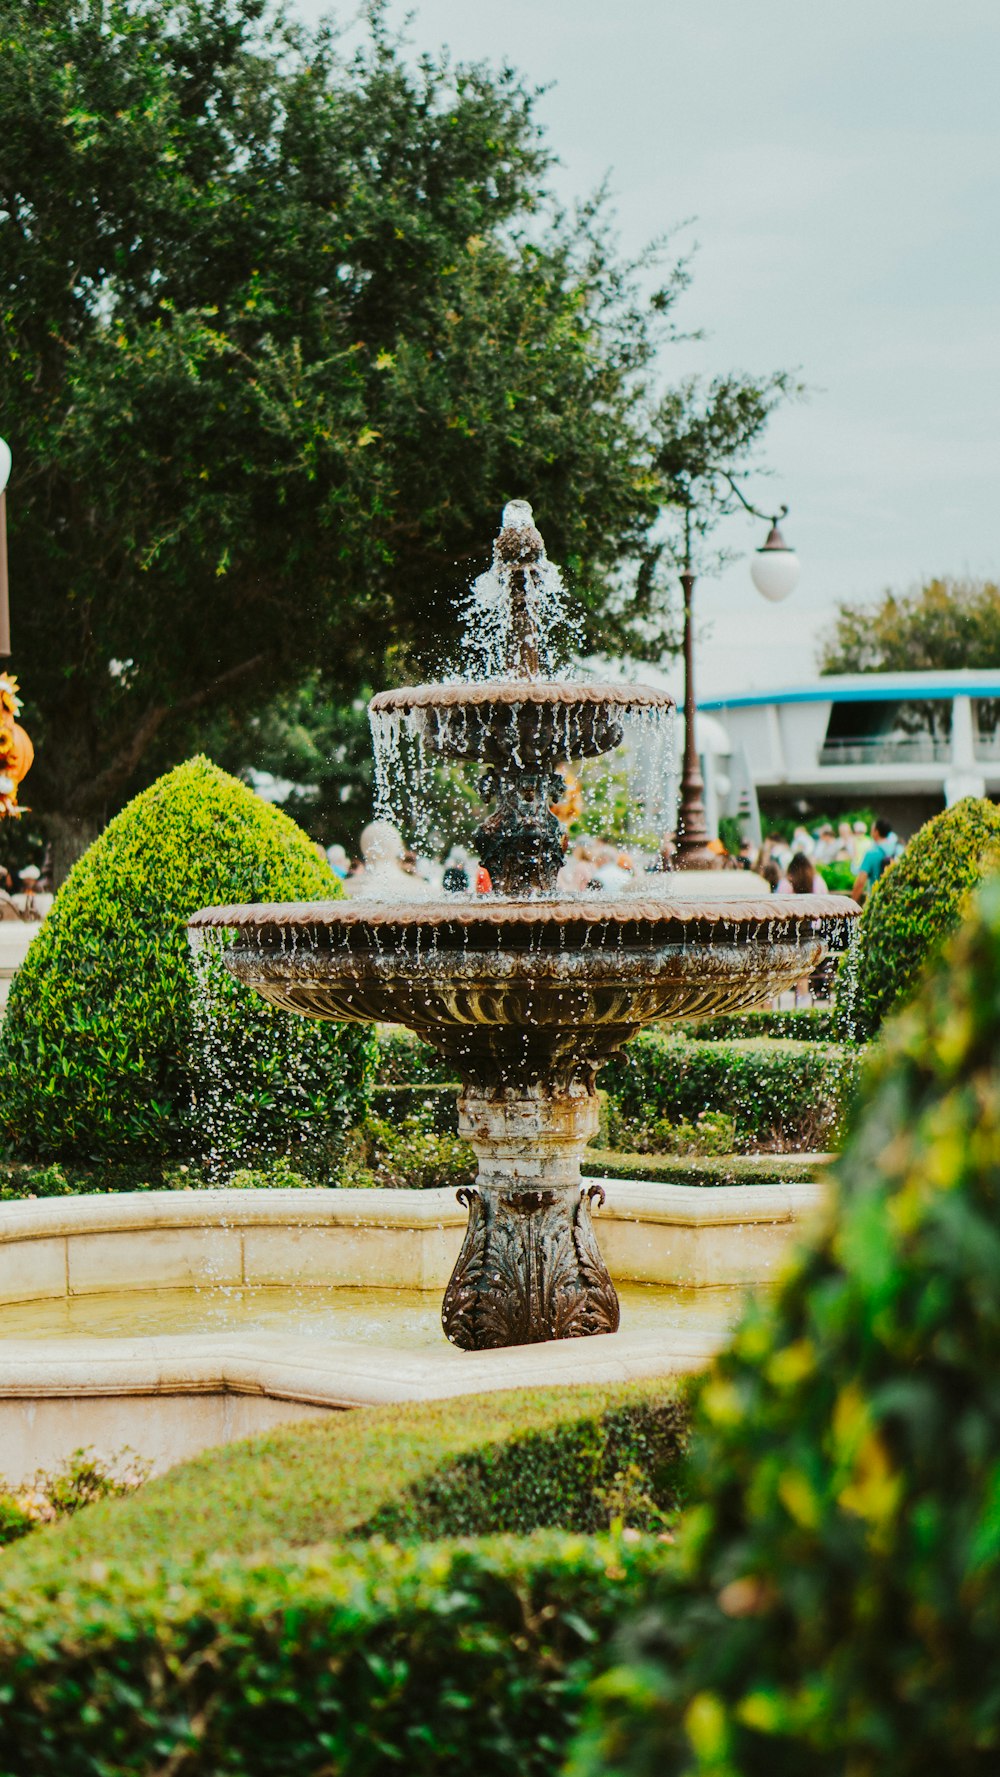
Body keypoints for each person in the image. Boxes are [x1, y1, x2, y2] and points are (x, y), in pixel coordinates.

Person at [851, 816, 900, 905]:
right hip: (894, 900)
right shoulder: (897, 849)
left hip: (876, 901)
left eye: (872, 829)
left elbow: (861, 882)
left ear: (876, 832)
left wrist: (852, 904)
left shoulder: (872, 853)